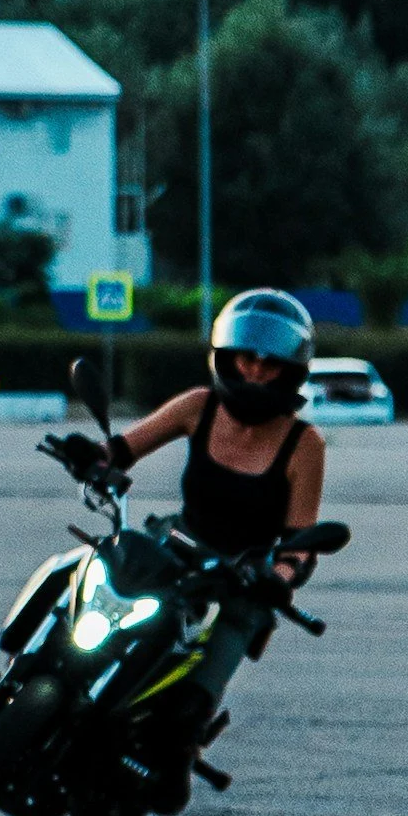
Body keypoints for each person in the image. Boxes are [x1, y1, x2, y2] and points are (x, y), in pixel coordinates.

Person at [54, 285, 328, 710]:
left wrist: (278, 577)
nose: (255, 370)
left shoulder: (305, 444)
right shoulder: (199, 406)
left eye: (269, 363)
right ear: (225, 355)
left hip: (240, 581)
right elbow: (122, 450)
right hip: (174, 549)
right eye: (245, 357)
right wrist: (91, 457)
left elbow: (300, 541)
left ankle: (170, 760)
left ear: (290, 370)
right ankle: (26, 668)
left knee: (189, 708)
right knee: (77, 582)